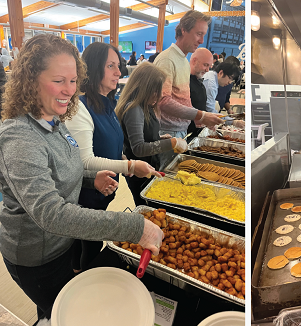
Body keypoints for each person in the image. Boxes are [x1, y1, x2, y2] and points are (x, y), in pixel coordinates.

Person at [0, 34, 163, 322]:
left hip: (62, 245)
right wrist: (134, 227)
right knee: (66, 313)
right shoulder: (19, 138)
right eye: (59, 80)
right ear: (30, 80)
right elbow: (50, 213)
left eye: (73, 81)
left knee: (55, 312)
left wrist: (90, 177)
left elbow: (70, 164)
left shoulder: (55, 121)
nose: (69, 90)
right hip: (37, 258)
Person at [66, 42, 159, 272]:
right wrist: (129, 165)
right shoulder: (80, 108)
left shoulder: (107, 103)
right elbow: (85, 161)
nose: (119, 72)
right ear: (93, 68)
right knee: (86, 246)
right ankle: (79, 278)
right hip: (86, 195)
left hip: (104, 192)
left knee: (92, 245)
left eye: (119, 66)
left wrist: (125, 158)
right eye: (111, 66)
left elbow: (113, 146)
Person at [153, 10, 224, 168]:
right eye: (199, 34)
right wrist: (201, 114)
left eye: (203, 35)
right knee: (165, 178)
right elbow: (163, 101)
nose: (201, 40)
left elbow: (183, 100)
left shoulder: (183, 61)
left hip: (180, 131)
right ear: (183, 29)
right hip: (166, 133)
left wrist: (200, 120)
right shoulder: (166, 60)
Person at [118, 63, 188, 203]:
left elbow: (143, 136)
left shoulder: (146, 106)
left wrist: (160, 138)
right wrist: (172, 143)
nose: (160, 94)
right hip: (139, 172)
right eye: (155, 91)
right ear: (144, 89)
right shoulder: (134, 109)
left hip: (150, 166)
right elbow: (138, 148)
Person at [187, 48, 213, 134]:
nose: (207, 70)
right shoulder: (185, 82)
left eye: (209, 66)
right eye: (205, 65)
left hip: (198, 133)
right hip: (186, 133)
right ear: (194, 61)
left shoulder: (200, 83)